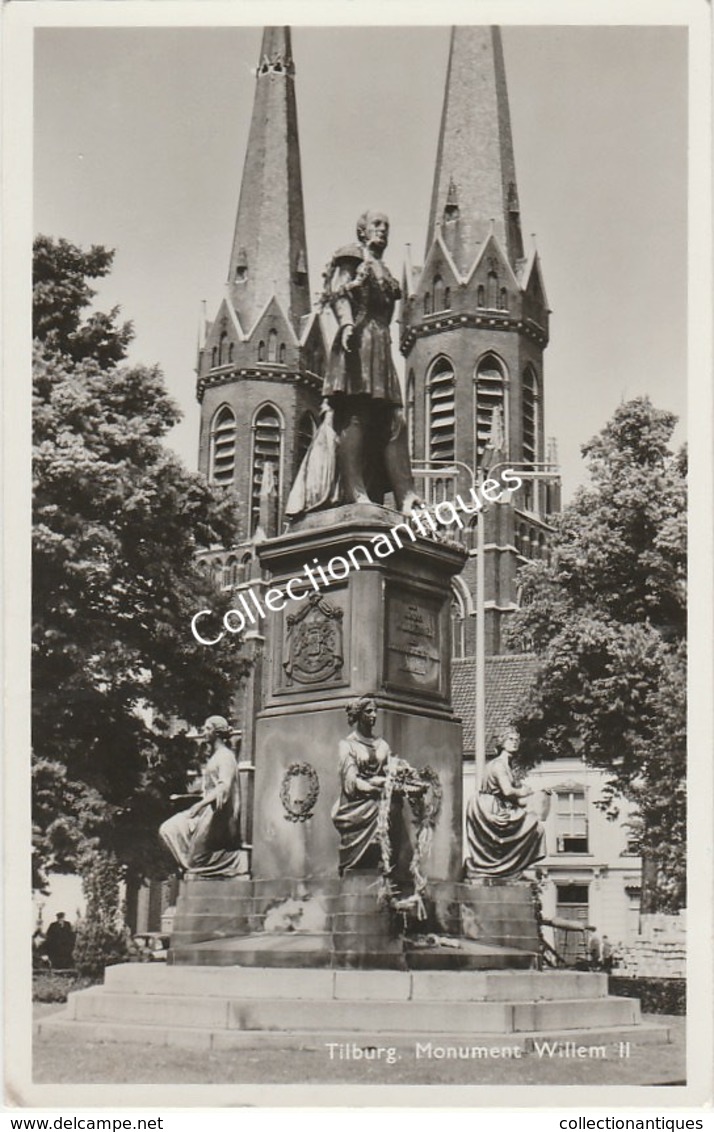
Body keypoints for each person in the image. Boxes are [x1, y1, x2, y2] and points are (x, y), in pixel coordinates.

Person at [289, 211, 420, 518]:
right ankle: (355, 490)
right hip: (357, 342)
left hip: (380, 345)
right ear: (362, 231)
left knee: (394, 418)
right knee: (356, 415)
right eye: (376, 225)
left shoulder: (385, 272)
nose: (382, 231)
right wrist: (347, 326)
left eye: (386, 226)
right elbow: (337, 296)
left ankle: (407, 496)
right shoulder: (351, 257)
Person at [159, 716, 243, 878]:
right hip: (206, 811)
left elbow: (224, 787)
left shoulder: (225, 756)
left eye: (207, 729)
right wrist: (188, 799)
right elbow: (208, 789)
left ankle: (231, 862)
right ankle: (193, 867)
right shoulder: (216, 756)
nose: (203, 732)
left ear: (217, 733)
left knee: (195, 860)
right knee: (168, 829)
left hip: (217, 815)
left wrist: (199, 805)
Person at [464, 728, 547, 880]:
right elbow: (508, 791)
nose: (515, 743)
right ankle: (502, 868)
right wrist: (524, 791)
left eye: (516, 740)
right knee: (535, 828)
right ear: (502, 743)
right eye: (510, 739)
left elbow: (512, 797)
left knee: (537, 828)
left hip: (499, 805)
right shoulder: (498, 765)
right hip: (490, 808)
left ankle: (507, 869)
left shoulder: (507, 765)